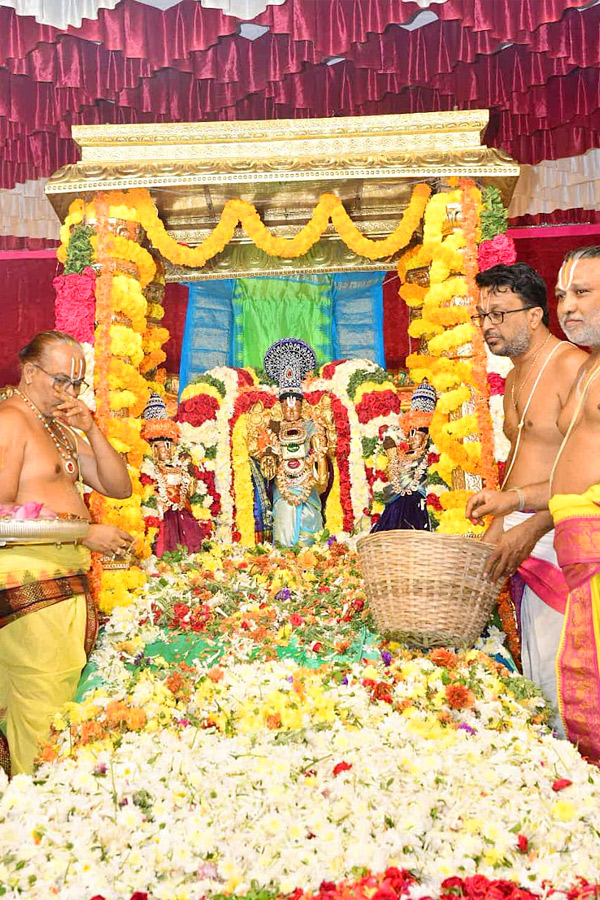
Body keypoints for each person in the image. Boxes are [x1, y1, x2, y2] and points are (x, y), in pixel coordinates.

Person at [466, 247, 600, 762]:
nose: (487, 326)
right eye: (483, 316)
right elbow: (533, 463)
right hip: (533, 524)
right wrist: (500, 525)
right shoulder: (517, 373)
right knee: (539, 673)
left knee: (569, 677)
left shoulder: (572, 365)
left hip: (560, 532)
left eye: (499, 315)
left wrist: (527, 526)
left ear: (534, 316)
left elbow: (580, 472)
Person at [0, 331, 132, 775]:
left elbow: (118, 486)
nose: (70, 393)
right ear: (30, 372)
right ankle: (34, 811)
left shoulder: (57, 426)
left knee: (60, 699)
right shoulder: (12, 420)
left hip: (63, 578)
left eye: (77, 384)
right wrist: (83, 533)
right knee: (44, 706)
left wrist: (91, 428)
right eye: (61, 381)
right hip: (29, 581)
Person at [257, 338, 330, 547]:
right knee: (284, 514)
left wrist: (320, 465)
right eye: (286, 406)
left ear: (302, 405)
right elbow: (265, 453)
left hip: (307, 482)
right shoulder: (273, 426)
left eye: (296, 405)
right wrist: (269, 457)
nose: (291, 410)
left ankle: (313, 559)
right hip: (283, 485)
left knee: (309, 520)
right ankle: (284, 563)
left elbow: (320, 453)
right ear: (280, 406)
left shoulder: (311, 426)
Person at [140, 392, 204, 556]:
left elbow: (188, 490)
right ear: (152, 448)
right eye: (160, 445)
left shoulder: (178, 464)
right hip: (162, 514)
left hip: (180, 513)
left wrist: (189, 477)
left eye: (168, 445)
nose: (165, 450)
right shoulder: (148, 468)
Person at [371, 379, 436, 533]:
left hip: (418, 504)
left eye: (417, 433)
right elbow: (392, 477)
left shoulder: (431, 454)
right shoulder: (401, 453)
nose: (412, 437)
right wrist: (393, 457)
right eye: (410, 432)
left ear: (426, 437)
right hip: (395, 505)